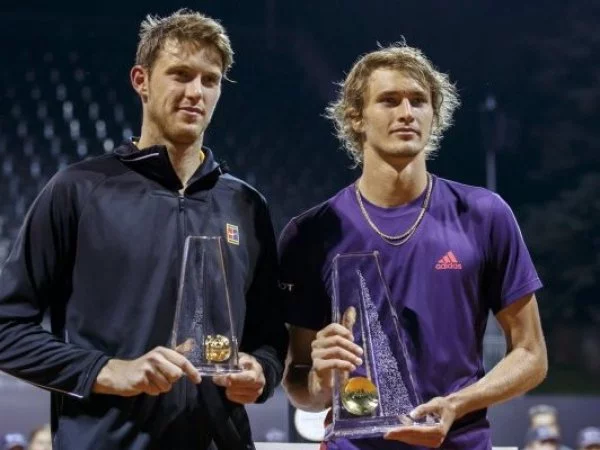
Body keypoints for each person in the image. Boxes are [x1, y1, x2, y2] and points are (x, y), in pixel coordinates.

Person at [0, 9, 286, 450]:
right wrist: (107, 370)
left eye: (210, 80)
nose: (196, 92)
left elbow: (270, 337)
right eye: (180, 74)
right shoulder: (79, 189)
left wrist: (261, 371)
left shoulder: (246, 205)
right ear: (141, 80)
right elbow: (6, 329)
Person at [279, 42, 548, 449]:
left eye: (418, 101)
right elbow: (299, 384)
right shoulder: (311, 232)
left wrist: (458, 403)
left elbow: (531, 355)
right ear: (355, 117)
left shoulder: (484, 214)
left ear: (434, 116)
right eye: (389, 100)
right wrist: (321, 379)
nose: (407, 113)